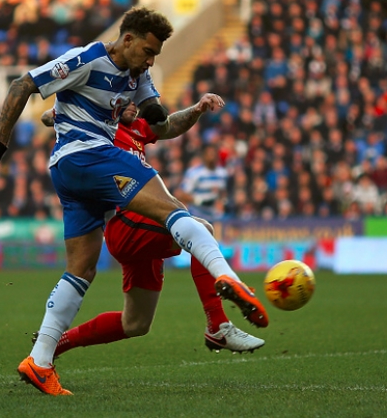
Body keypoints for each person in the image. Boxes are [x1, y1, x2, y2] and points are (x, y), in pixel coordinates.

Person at [0, 7, 268, 396]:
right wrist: (0, 143)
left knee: (80, 270)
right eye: (147, 50)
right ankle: (225, 278)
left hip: (71, 173)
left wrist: (167, 109)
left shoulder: (137, 73)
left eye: (155, 55)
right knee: (175, 212)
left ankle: (40, 360)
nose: (150, 60)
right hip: (88, 155)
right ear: (127, 39)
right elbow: (21, 85)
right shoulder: (86, 59)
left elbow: (158, 120)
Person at [37, 100, 264, 362]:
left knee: (136, 323)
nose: (134, 105)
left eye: (136, 100)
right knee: (202, 229)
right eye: (128, 100)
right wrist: (69, 112)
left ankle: (54, 343)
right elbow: (47, 117)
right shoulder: (99, 125)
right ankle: (218, 324)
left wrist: (198, 109)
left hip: (141, 224)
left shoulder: (138, 129)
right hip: (123, 221)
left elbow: (171, 127)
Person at [175, 144, 229, 220]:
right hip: (197, 215)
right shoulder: (194, 173)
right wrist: (199, 201)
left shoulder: (222, 173)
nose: (212, 157)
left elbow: (223, 193)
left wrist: (223, 201)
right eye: (209, 154)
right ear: (204, 156)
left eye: (214, 154)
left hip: (214, 217)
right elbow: (181, 194)